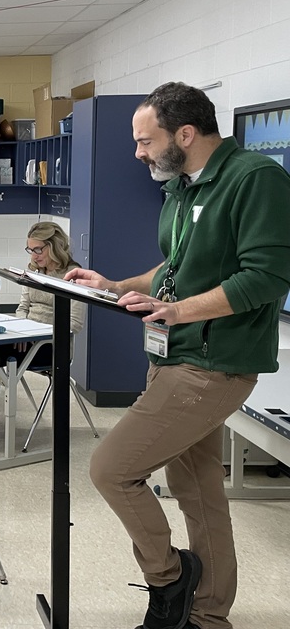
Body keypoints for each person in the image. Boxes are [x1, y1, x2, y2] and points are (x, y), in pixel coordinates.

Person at [68, 82, 290, 629]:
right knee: (198, 489)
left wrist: (181, 310)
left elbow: (266, 277)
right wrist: (116, 283)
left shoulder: (254, 180)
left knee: (111, 469)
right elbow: (172, 268)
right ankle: (209, 616)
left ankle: (169, 579)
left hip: (213, 365)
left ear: (185, 134)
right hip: (175, 356)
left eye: (146, 141)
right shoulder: (184, 186)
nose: (139, 153)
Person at [0, 222, 86, 444]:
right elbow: (22, 308)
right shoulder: (33, 271)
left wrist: (34, 334)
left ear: (54, 246)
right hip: (25, 337)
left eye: (38, 250)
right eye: (30, 250)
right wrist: (20, 331)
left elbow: (74, 323)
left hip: (53, 344)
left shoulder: (73, 275)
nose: (34, 256)